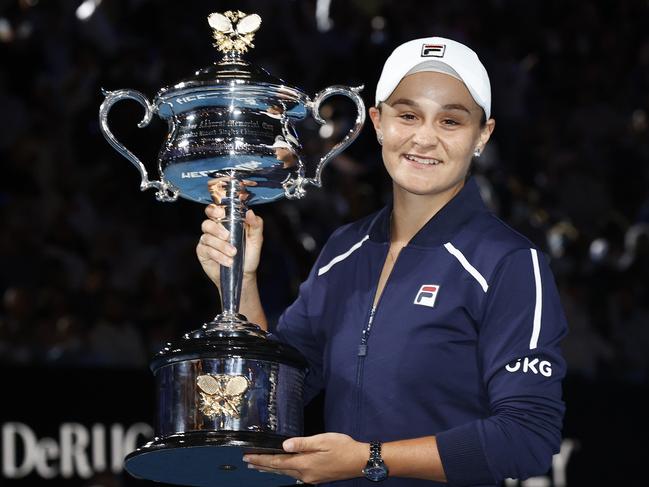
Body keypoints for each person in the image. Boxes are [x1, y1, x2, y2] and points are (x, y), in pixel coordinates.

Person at [197, 36, 567, 486]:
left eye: (451, 121)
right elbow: (274, 398)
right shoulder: (342, 250)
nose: (424, 138)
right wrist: (241, 282)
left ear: (482, 135)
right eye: (407, 115)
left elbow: (527, 437)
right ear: (377, 121)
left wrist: (369, 459)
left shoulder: (508, 263)